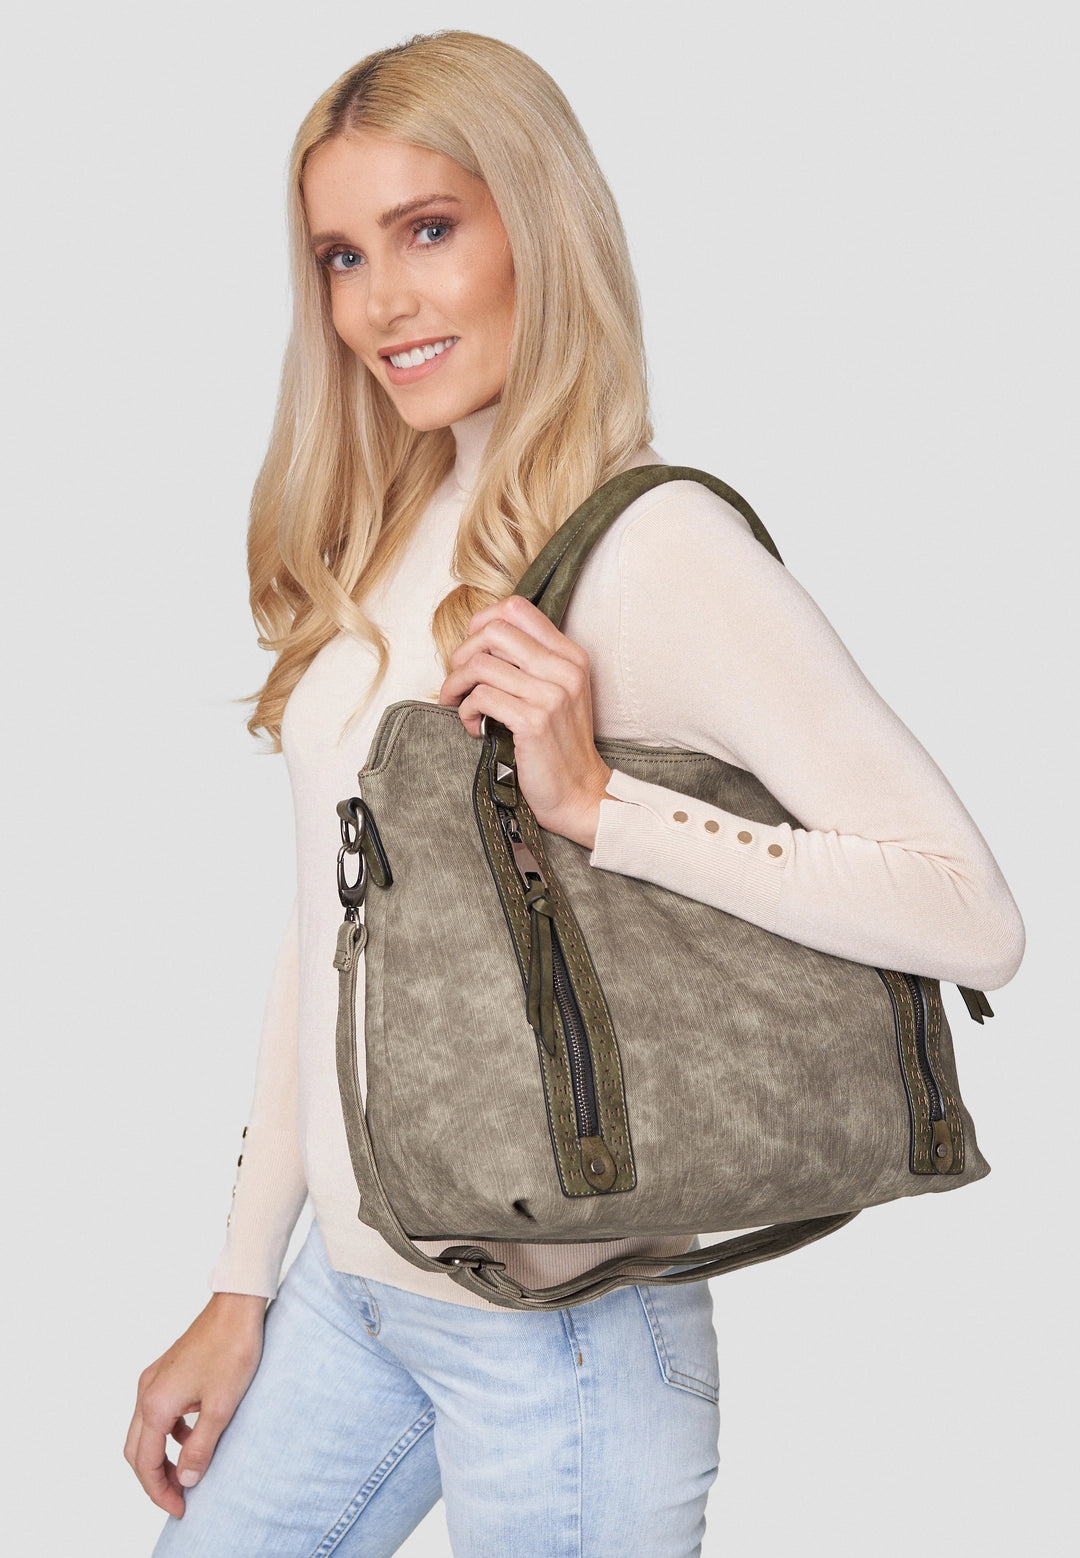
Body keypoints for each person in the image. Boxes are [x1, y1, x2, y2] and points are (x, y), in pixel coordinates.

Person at [125, 29, 1025, 1557]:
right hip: (358, 1295)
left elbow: (970, 913)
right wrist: (238, 1279)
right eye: (343, 256)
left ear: (536, 223)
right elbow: (333, 937)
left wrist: (603, 802)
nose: (381, 301)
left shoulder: (653, 549)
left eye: (429, 228)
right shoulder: (394, 533)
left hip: (566, 1341)